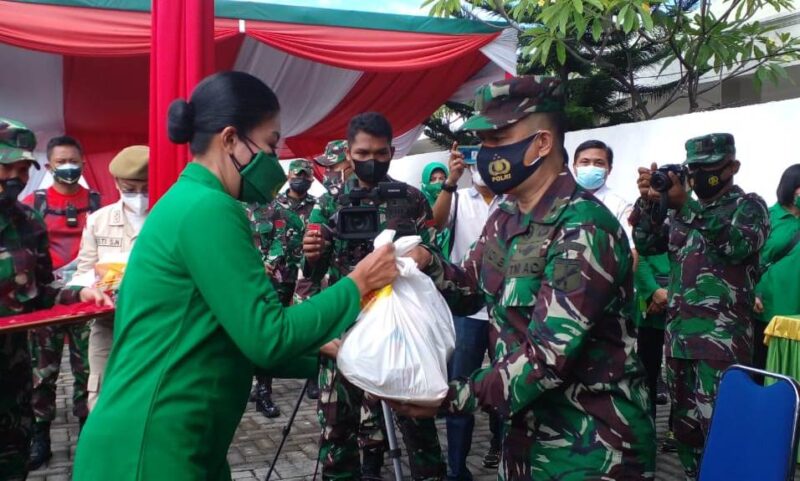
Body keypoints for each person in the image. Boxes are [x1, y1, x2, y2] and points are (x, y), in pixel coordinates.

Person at [72, 71, 398, 481]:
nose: (275, 162)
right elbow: (267, 337)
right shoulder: (209, 208)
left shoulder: (187, 200)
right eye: (270, 144)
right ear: (229, 140)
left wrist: (325, 350)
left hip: (177, 438)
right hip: (151, 445)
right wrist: (359, 282)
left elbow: (234, 336)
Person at [399, 76, 655, 479]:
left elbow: (548, 357)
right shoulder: (505, 215)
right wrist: (423, 261)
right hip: (524, 437)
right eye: (484, 141)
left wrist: (449, 398)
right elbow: (470, 290)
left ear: (542, 143)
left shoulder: (583, 227)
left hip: (590, 448)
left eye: (499, 138)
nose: (487, 153)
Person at [297, 112, 446, 481]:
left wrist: (424, 257)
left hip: (402, 334)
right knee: (338, 439)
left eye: (381, 153)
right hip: (345, 335)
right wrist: (312, 256)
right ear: (349, 152)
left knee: (420, 435)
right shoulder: (330, 203)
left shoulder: (410, 199)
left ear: (393, 151)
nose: (372, 160)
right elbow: (309, 280)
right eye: (364, 152)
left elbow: (435, 259)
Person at [630, 133, 769, 479]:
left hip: (722, 343)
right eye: (694, 169)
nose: (699, 176)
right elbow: (646, 243)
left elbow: (735, 247)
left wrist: (686, 206)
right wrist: (649, 200)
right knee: (687, 429)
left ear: (732, 167)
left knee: (723, 425)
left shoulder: (749, 207)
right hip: (678, 339)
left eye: (709, 168)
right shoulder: (681, 213)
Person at [0, 117, 110, 481]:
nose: (14, 176)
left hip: (12, 378)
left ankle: (67, 436)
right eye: (6, 166)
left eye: (21, 168)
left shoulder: (28, 221)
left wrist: (79, 293)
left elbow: (41, 291)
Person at [22, 135, 102, 470]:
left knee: (88, 368)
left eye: (73, 161)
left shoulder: (97, 202)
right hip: (48, 302)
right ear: (49, 165)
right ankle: (40, 433)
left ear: (83, 163)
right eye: (60, 162)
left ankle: (88, 430)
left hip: (87, 299)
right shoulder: (32, 203)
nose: (67, 167)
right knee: (43, 371)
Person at [430, 147, 504, 479]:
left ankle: (501, 450)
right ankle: (457, 469)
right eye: (476, 161)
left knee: (507, 384)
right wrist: (450, 182)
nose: (482, 168)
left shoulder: (514, 198)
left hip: (507, 311)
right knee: (460, 386)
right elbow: (436, 222)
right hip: (467, 311)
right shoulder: (459, 198)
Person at [68, 145, 150, 412]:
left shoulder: (167, 219)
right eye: (129, 189)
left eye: (145, 188)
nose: (138, 197)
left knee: (146, 401)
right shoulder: (98, 221)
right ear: (115, 182)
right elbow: (84, 270)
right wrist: (88, 288)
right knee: (101, 401)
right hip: (108, 326)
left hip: (154, 326)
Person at [247, 158, 318, 417]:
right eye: (295, 174)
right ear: (289, 177)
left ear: (311, 179)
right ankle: (263, 390)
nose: (299, 178)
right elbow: (248, 237)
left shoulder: (317, 206)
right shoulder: (269, 205)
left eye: (304, 175)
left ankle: (312, 377)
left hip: (302, 277)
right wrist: (257, 261)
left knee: (306, 326)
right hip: (271, 278)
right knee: (270, 331)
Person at [754, 164, 800, 369]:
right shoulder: (767, 216)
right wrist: (750, 293)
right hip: (768, 310)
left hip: (797, 314)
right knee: (764, 369)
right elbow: (747, 260)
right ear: (791, 187)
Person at [572, 139, 633, 242]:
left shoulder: (620, 206)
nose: (591, 167)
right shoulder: (560, 201)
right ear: (574, 167)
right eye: (585, 162)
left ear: (609, 169)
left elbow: (631, 250)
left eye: (599, 163)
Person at [420, 161, 452, 258]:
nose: (438, 183)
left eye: (442, 179)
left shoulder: (455, 200)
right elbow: (424, 225)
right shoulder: (418, 202)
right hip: (428, 254)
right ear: (425, 182)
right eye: (433, 179)